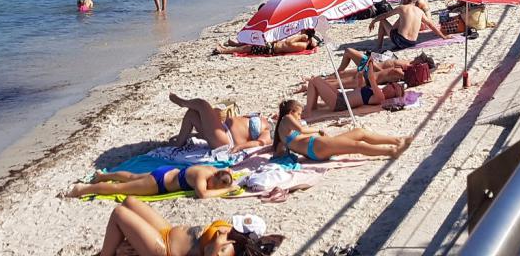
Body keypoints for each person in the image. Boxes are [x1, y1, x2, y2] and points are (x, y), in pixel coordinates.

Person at [96, 198, 283, 256]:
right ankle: (123, 248)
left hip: (165, 249)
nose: (234, 227)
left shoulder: (228, 249)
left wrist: (216, 246)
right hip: (168, 232)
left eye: (239, 228)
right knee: (129, 202)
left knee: (119, 214)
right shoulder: (229, 232)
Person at [272, 100, 409, 161]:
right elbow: (301, 129)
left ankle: (397, 140)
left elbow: (280, 149)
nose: (300, 116)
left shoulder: (282, 130)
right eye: (299, 114)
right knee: (357, 146)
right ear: (291, 111)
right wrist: (319, 129)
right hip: (315, 146)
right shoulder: (287, 118)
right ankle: (391, 152)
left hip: (316, 146)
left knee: (359, 132)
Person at [169, 94, 271, 154]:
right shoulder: (267, 119)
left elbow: (260, 143)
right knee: (192, 114)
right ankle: (179, 143)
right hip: (222, 130)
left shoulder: (270, 132)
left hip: (226, 140)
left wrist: (239, 147)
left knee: (202, 104)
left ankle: (182, 103)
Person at [68, 164, 238, 199]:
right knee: (120, 188)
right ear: (214, 177)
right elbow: (202, 194)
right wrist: (227, 190)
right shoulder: (203, 176)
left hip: (166, 171)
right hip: (159, 183)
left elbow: (228, 172)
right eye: (213, 185)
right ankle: (81, 189)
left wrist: (227, 182)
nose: (211, 187)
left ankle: (103, 176)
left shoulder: (212, 170)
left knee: (131, 177)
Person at [302, 71, 405, 118]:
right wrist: (360, 76)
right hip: (341, 96)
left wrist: (369, 63)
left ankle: (309, 111)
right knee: (318, 80)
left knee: (314, 81)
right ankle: (313, 107)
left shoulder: (380, 97)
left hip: (340, 103)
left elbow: (371, 78)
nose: (390, 84)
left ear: (393, 95)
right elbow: (359, 90)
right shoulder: (378, 92)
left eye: (393, 87)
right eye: (392, 83)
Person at [371, 0, 447, 51]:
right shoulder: (419, 11)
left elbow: (384, 16)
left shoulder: (401, 8)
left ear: (406, 0)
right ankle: (385, 37)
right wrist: (443, 36)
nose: (401, 1)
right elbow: (431, 25)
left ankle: (378, 47)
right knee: (401, 19)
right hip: (412, 43)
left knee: (382, 21)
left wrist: (373, 22)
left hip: (400, 41)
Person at [215, 29, 320, 56]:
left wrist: (300, 37)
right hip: (273, 45)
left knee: (247, 48)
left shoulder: (302, 45)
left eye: (303, 31)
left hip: (272, 49)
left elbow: (288, 42)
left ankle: (224, 51)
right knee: (252, 43)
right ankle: (230, 47)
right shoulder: (303, 42)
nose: (301, 31)